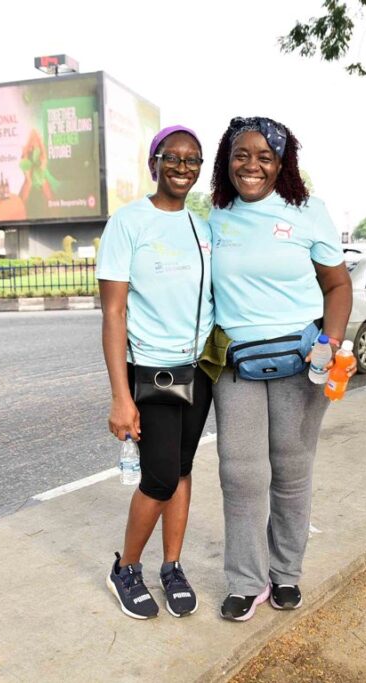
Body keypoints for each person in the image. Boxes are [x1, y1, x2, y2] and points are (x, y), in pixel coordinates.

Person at [207, 116, 352, 621]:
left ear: (281, 163)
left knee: (291, 472)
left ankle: (285, 572)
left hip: (301, 362)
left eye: (264, 157)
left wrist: (331, 342)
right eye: (241, 155)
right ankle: (246, 581)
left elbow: (338, 285)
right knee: (240, 474)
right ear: (227, 161)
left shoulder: (308, 211)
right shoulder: (215, 217)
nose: (252, 166)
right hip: (236, 365)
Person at [96, 125, 213, 619]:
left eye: (192, 159)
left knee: (182, 468)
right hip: (151, 370)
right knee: (160, 478)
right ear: (154, 164)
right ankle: (125, 568)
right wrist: (120, 397)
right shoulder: (128, 222)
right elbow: (113, 313)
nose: (182, 167)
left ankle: (172, 565)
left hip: (198, 368)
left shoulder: (202, 227)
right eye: (172, 157)